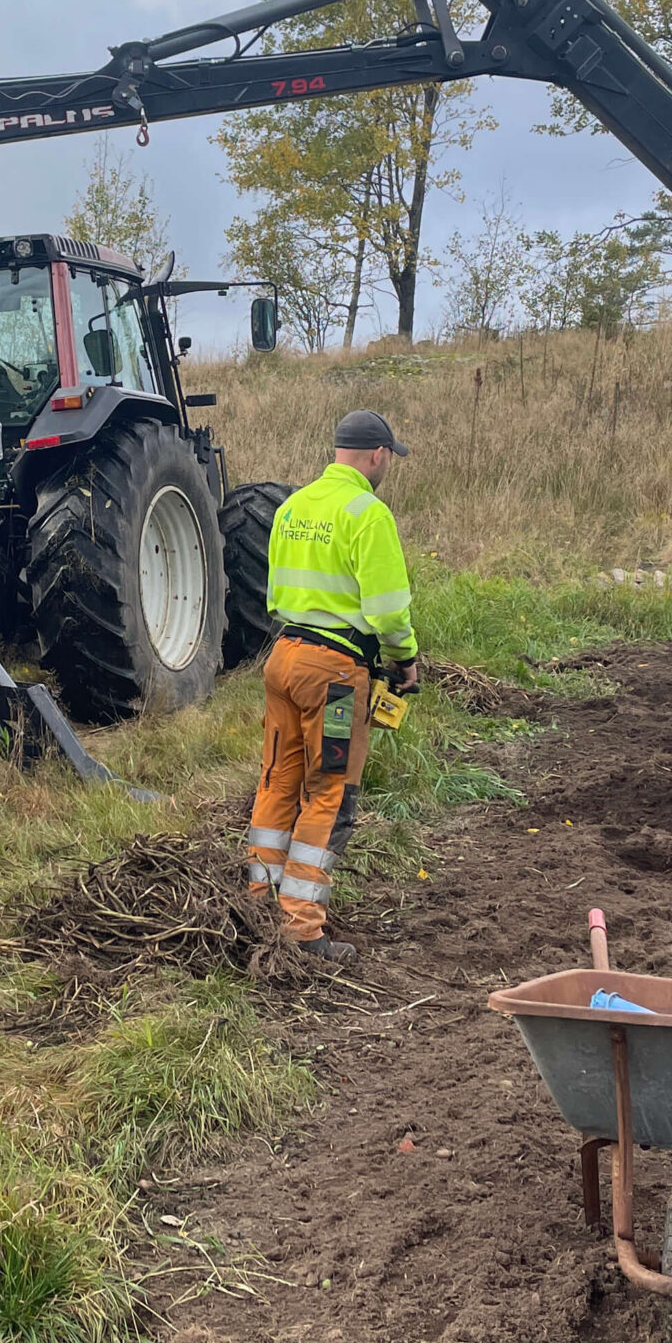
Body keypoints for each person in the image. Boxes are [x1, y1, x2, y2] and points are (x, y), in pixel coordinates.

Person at [245, 408, 419, 962]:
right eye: (389, 456)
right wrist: (404, 659)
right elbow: (389, 610)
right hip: (337, 677)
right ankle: (301, 928)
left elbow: (274, 590)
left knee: (277, 780)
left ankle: (255, 904)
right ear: (377, 455)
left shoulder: (293, 506)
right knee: (331, 789)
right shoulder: (368, 513)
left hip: (283, 661)